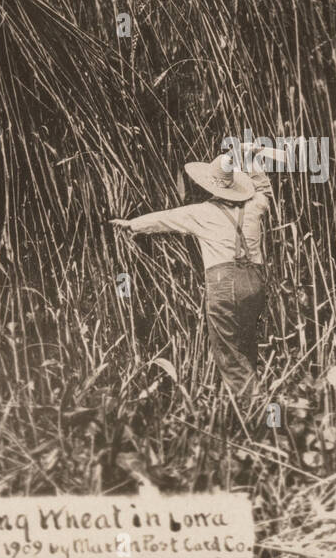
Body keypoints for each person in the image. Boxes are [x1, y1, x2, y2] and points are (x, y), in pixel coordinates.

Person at [110, 144, 282, 409]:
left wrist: (132, 225)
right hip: (256, 283)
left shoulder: (200, 212)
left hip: (223, 285)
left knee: (228, 352)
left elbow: (165, 219)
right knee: (246, 344)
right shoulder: (256, 207)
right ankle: (251, 402)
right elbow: (264, 190)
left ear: (210, 186)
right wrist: (253, 157)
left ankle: (258, 409)